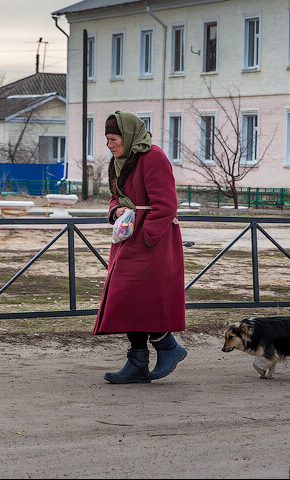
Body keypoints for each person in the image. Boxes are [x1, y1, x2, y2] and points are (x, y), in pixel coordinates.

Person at [94, 111, 187, 383]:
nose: (109, 145)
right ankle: (144, 358)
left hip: (153, 242)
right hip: (128, 236)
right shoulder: (118, 161)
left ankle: (162, 349)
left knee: (136, 297)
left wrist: (147, 236)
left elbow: (166, 205)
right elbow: (114, 197)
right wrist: (116, 212)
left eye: (113, 138)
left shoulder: (153, 157)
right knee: (130, 299)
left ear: (128, 135)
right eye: (107, 140)